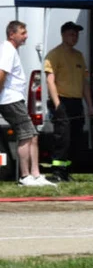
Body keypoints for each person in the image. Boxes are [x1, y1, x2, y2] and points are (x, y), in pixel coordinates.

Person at [0, 20, 54, 187]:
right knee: (25, 135)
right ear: (12, 34)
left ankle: (36, 174)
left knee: (33, 135)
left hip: (15, 99)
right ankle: (25, 176)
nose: (26, 36)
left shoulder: (11, 50)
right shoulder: (7, 50)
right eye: (22, 33)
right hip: (10, 99)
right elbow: (1, 74)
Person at [43, 21, 92, 179]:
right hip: (62, 101)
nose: (75, 37)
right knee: (62, 138)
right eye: (71, 34)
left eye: (76, 34)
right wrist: (57, 104)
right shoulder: (54, 54)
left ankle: (67, 171)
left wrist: (89, 105)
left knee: (75, 138)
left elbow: (84, 82)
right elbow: (50, 81)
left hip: (76, 102)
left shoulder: (78, 56)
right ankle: (57, 171)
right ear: (63, 35)